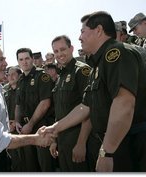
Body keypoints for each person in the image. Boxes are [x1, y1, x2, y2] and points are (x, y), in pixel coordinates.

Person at [42, 11, 146, 172]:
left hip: (130, 144)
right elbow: (85, 106)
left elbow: (124, 104)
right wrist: (54, 128)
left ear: (99, 30)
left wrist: (106, 152)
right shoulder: (98, 64)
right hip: (116, 143)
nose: (80, 37)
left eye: (82, 31)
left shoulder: (116, 54)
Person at [50, 35, 91, 172]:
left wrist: (81, 143)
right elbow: (59, 111)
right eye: (56, 51)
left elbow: (89, 108)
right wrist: (54, 139)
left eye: (63, 49)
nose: (59, 54)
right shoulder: (60, 75)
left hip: (78, 137)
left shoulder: (82, 71)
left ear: (71, 48)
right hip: (63, 140)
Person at [15, 47, 56, 172]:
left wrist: (30, 124)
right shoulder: (20, 80)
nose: (24, 62)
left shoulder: (42, 76)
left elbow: (45, 103)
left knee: (45, 166)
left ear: (32, 59)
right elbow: (18, 104)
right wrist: (17, 121)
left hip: (42, 126)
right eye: (21, 59)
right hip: (26, 128)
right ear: (18, 62)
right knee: (30, 166)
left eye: (27, 58)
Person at [3, 66, 23, 171]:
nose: (10, 77)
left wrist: (16, 122)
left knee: (23, 160)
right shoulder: (6, 92)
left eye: (13, 74)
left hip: (21, 128)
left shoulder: (23, 89)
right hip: (9, 129)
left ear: (20, 76)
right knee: (13, 159)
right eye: (8, 75)